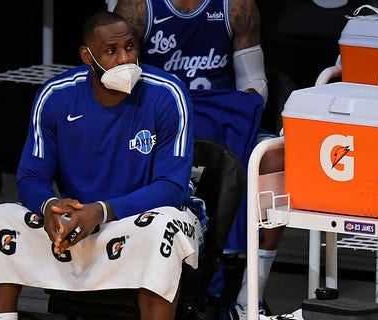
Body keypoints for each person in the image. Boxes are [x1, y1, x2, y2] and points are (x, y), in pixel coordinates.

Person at [0, 10, 201, 320]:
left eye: (130, 47)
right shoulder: (56, 96)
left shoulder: (168, 93)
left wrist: (101, 210)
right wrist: (49, 207)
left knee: (162, 227)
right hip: (79, 224)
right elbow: (31, 175)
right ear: (87, 56)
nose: (125, 59)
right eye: (111, 51)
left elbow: (172, 188)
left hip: (140, 221)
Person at [113, 1, 285, 319]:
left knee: (275, 159)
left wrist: (219, 113)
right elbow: (120, 82)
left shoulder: (238, 6)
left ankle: (250, 297)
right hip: (159, 121)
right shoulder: (138, 8)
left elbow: (255, 84)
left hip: (220, 124)